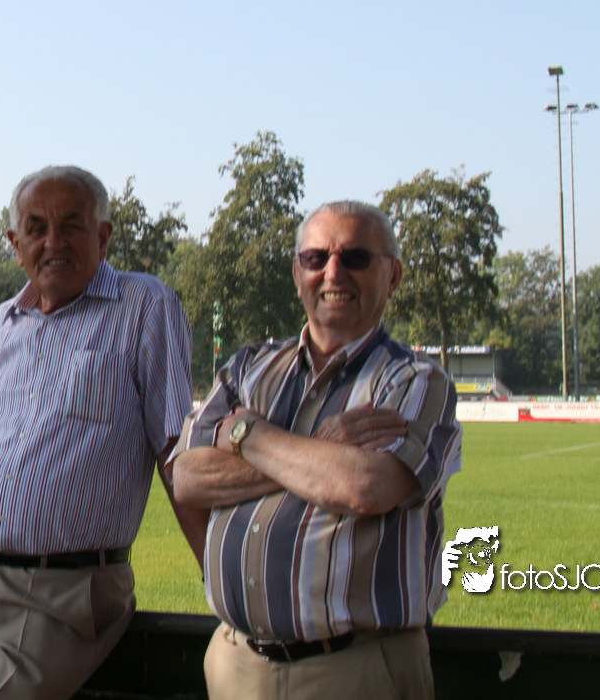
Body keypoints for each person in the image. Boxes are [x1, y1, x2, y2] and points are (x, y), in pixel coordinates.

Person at [0, 166, 204, 700]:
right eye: (36, 228)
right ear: (16, 246)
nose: (53, 242)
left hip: (60, 594)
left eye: (71, 226)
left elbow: (177, 454)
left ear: (103, 236)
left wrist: (221, 582)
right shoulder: (2, 323)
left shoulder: (144, 307)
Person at [172, 200, 461, 700]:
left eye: (355, 257)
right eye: (316, 257)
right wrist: (316, 453)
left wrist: (248, 436)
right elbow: (188, 479)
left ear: (392, 276)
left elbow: (362, 486)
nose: (333, 272)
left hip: (357, 667)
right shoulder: (249, 368)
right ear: (297, 272)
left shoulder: (415, 381)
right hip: (236, 664)